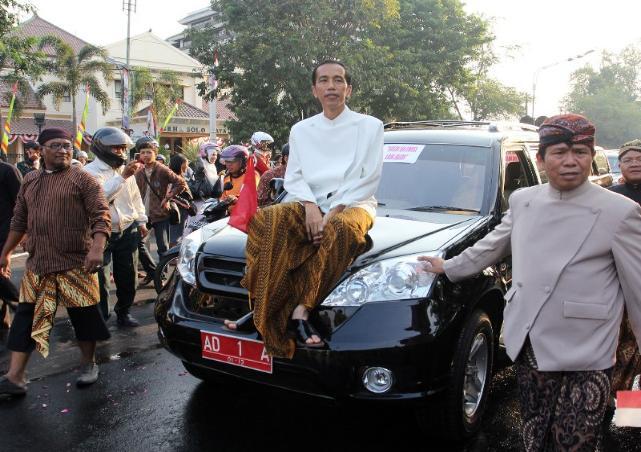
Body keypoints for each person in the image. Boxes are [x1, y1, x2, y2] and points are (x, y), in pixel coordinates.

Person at [419, 114, 641, 451]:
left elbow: (638, 288)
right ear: (541, 158)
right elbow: (493, 244)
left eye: (581, 152)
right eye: (560, 152)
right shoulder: (524, 201)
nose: (570, 161)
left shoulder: (619, 211)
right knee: (535, 434)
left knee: (576, 440)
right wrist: (449, 266)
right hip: (532, 339)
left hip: (587, 349)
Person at [224, 60, 384, 359]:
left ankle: (300, 310)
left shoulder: (370, 126)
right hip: (309, 202)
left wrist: (332, 212)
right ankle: (264, 307)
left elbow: (369, 178)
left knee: (340, 229)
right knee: (268, 220)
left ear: (348, 89)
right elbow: (294, 176)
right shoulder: (301, 130)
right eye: (324, 80)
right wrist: (311, 208)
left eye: (338, 80)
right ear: (314, 89)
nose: (332, 86)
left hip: (354, 204)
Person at [0, 127, 111, 396]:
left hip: (76, 263)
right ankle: (15, 376)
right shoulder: (29, 180)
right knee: (26, 319)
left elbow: (101, 216)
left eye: (67, 146)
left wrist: (97, 248)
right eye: (56, 145)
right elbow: (19, 220)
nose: (63, 150)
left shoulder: (83, 179)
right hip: (38, 265)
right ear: (41, 150)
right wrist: (5, 253)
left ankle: (88, 364)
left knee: (84, 317)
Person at [84, 127, 148, 327]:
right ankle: (102, 316)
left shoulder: (125, 171)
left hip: (128, 229)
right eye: (115, 149)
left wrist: (142, 220)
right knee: (100, 279)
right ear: (102, 148)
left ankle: (124, 311)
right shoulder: (89, 172)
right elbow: (99, 198)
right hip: (101, 232)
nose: (120, 152)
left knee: (128, 276)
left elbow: (135, 197)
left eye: (122, 148)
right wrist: (122, 178)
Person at [608, 139, 641, 403]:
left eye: (639, 158)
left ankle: (629, 413)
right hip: (618, 279)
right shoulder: (611, 195)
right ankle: (617, 404)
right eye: (628, 159)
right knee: (621, 341)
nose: (635, 163)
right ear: (620, 165)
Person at [134, 137, 187, 257]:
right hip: (142, 214)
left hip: (160, 213)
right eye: (143, 153)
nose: (146, 155)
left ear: (155, 154)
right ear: (139, 155)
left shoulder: (161, 169)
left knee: (162, 247)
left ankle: (161, 274)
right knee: (137, 243)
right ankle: (152, 271)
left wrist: (168, 197)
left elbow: (181, 183)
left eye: (149, 152)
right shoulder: (139, 170)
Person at [0, 160, 21, 329]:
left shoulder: (8, 171)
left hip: (4, 235)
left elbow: (22, 205)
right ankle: (4, 324)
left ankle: (22, 308)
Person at [219, 145, 260, 214]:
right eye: (227, 161)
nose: (228, 164)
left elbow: (250, 200)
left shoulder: (251, 176)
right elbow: (221, 198)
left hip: (246, 216)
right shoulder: (226, 177)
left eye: (232, 161)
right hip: (226, 216)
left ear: (243, 161)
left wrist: (235, 200)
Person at [168, 153, 194, 246]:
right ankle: (171, 258)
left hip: (182, 210)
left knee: (177, 235)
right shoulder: (173, 177)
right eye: (185, 163)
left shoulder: (179, 176)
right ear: (180, 164)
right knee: (175, 237)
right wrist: (186, 204)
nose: (187, 165)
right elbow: (170, 195)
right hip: (177, 210)